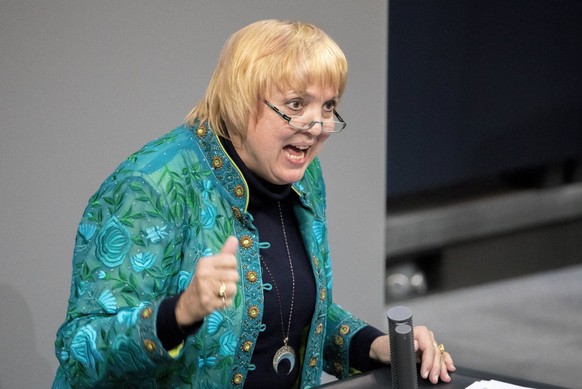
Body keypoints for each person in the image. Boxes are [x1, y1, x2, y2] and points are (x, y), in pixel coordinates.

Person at [52, 19, 455, 388]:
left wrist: (374, 346)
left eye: (329, 106)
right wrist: (178, 314)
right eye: (297, 105)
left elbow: (292, 314)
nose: (316, 127)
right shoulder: (149, 187)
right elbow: (80, 350)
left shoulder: (303, 175)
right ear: (241, 99)